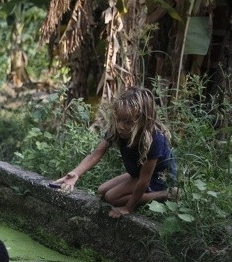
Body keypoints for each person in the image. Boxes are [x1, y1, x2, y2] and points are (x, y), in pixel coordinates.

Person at [53, 85, 177, 219]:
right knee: (102, 191)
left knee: (112, 197)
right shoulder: (117, 129)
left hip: (158, 177)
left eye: (128, 122)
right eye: (119, 119)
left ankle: (166, 194)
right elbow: (97, 153)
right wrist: (76, 173)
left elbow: (144, 181)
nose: (121, 126)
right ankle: (152, 193)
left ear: (143, 120)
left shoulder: (154, 138)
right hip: (137, 173)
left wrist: (128, 207)